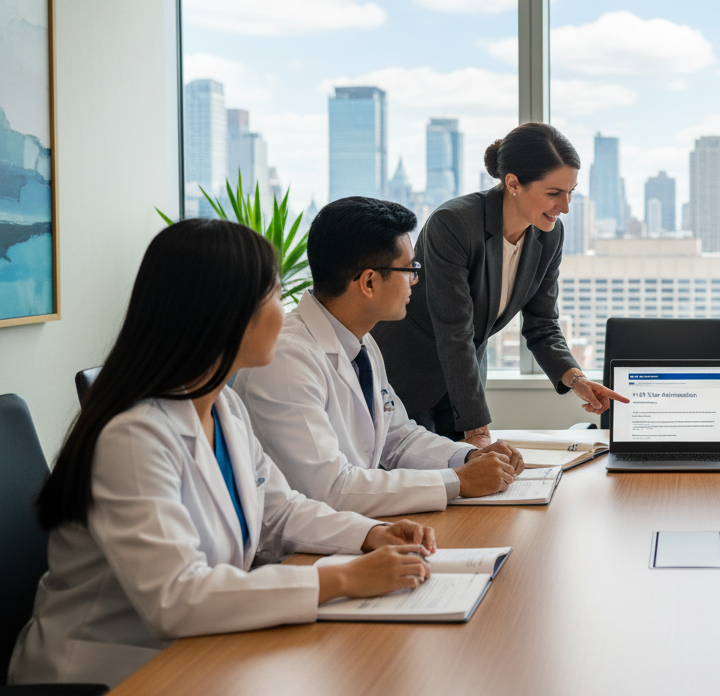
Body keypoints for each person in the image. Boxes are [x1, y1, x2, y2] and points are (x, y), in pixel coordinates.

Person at [10, 220, 438, 688]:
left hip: (200, 653)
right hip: (108, 673)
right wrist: (342, 580)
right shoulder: (133, 436)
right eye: (275, 296)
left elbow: (278, 511)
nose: (285, 312)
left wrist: (369, 535)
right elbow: (177, 596)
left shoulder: (222, 405)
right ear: (225, 313)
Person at [234, 197, 523, 517]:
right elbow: (329, 489)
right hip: (300, 552)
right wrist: (456, 481)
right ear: (369, 282)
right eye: (410, 269)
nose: (416, 279)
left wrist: (469, 457)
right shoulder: (287, 361)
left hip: (349, 534)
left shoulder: (362, 344)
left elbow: (397, 439)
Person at [373, 122, 627, 444]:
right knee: (421, 483)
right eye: (554, 194)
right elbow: (454, 332)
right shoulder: (453, 224)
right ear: (513, 183)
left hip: (464, 384)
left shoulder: (548, 235)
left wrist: (577, 379)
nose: (564, 207)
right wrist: (478, 432)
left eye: (570, 193)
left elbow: (542, 325)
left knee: (473, 486)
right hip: (407, 375)